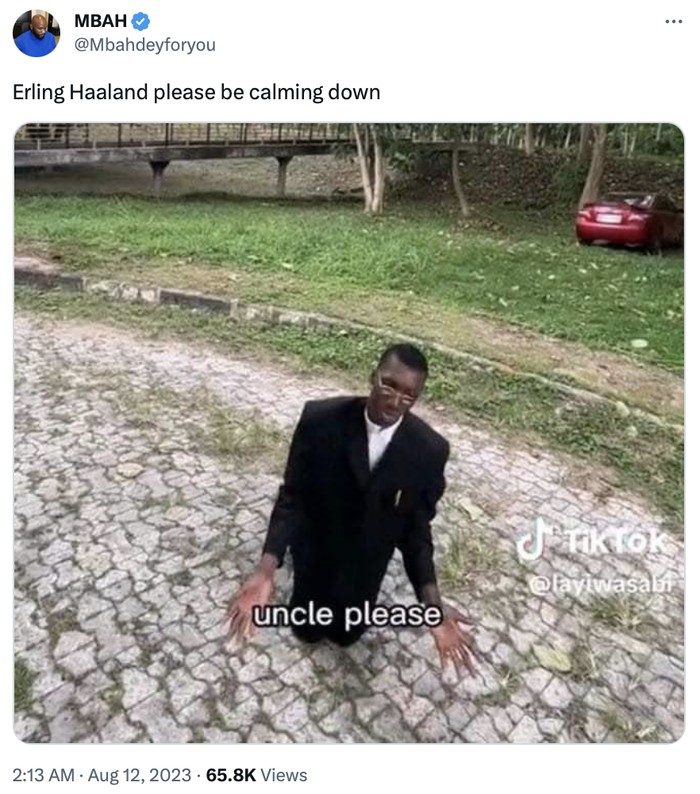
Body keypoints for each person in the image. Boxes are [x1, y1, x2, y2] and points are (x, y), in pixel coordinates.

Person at [226, 343, 477, 675]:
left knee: (346, 636)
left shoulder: (429, 450)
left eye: (408, 395)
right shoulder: (320, 421)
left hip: (365, 570)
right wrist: (265, 570)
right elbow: (293, 497)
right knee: (307, 630)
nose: (395, 401)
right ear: (373, 376)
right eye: (388, 385)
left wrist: (433, 603)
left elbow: (416, 531)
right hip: (315, 555)